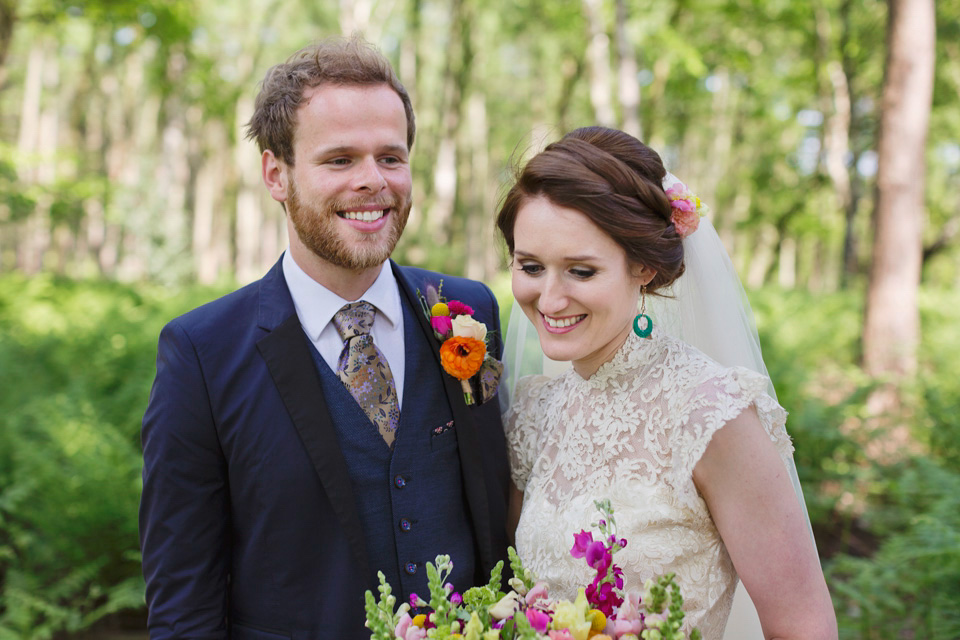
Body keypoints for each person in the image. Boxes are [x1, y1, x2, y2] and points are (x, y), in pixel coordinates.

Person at [138, 37, 511, 639]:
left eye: (391, 157)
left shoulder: (471, 311)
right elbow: (183, 602)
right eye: (339, 160)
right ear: (275, 173)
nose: (373, 182)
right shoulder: (201, 354)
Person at [496, 127, 837, 639]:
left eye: (581, 271)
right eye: (531, 266)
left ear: (644, 266)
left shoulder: (710, 414)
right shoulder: (532, 412)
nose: (548, 299)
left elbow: (803, 626)